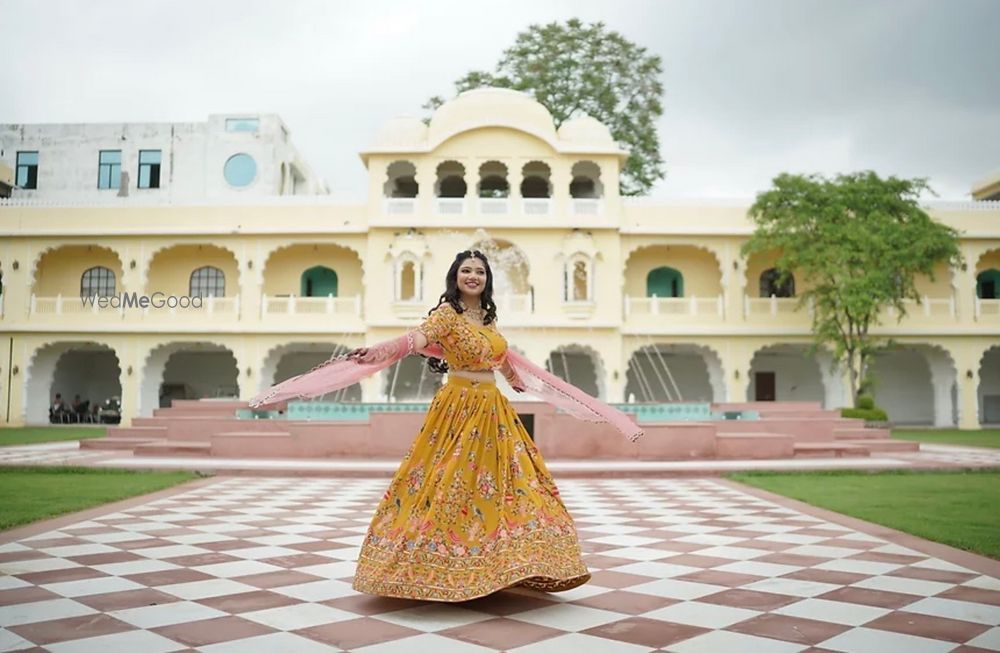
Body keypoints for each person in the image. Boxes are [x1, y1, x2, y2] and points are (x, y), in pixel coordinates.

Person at [250, 250, 642, 602]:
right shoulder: (446, 317)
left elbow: (502, 359)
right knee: (447, 485)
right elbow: (413, 339)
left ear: (487, 280)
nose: (473, 276)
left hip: (493, 411)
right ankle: (436, 567)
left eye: (480, 272)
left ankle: (509, 563)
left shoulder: (487, 319)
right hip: (457, 410)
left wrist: (522, 379)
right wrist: (378, 351)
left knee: (511, 485)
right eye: (466, 270)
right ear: (455, 276)